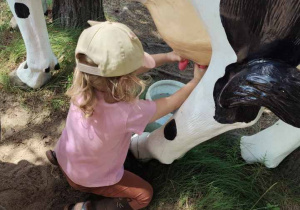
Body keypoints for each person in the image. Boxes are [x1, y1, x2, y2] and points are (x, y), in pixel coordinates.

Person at [46, 21, 207, 210]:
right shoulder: (128, 113)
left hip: (67, 157)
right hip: (87, 179)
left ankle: (58, 158)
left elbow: (118, 72)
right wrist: (196, 81)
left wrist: (169, 56)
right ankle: (83, 208)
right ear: (125, 79)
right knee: (144, 196)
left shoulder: (82, 86)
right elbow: (171, 103)